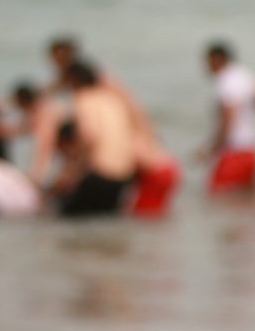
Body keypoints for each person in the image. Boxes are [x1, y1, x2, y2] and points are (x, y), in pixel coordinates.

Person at [45, 36, 180, 216]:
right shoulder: (106, 97)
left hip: (134, 171)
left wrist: (75, 170)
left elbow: (91, 135)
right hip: (147, 170)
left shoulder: (88, 94)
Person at [56, 61, 137, 217]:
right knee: (104, 221)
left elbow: (89, 138)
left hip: (101, 173)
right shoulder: (112, 99)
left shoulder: (83, 99)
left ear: (73, 79)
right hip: (125, 174)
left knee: (66, 218)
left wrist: (73, 171)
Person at [196, 42, 255, 193]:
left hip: (235, 150)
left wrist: (212, 147)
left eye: (208, 61)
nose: (206, 67)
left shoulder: (226, 81)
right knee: (245, 201)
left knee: (219, 197)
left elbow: (229, 117)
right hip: (254, 149)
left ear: (217, 59)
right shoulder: (246, 76)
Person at [10, 82, 65, 186]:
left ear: (23, 101)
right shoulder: (38, 108)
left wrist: (35, 178)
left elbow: (44, 148)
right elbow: (16, 130)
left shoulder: (44, 114)